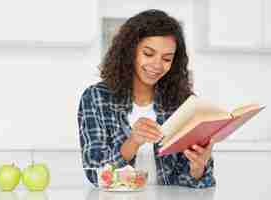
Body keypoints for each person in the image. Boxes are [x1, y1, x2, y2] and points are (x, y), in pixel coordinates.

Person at [78, 9, 215, 188]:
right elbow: (95, 174)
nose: (157, 65)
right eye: (149, 54)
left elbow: (191, 184)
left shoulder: (184, 104)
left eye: (167, 58)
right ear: (129, 51)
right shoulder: (96, 98)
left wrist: (197, 168)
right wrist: (133, 141)